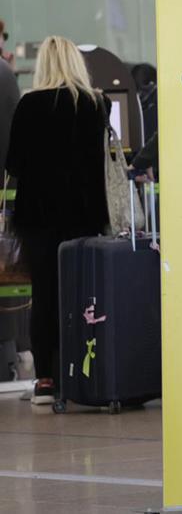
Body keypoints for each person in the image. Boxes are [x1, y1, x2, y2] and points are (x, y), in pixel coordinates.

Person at [5, 36, 109, 405]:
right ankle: (84, 370)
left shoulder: (30, 105)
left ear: (43, 65)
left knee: (45, 295)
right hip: (86, 216)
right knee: (85, 295)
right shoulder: (97, 103)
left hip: (39, 218)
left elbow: (13, 164)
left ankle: (47, 379)